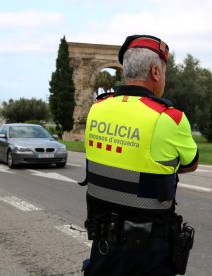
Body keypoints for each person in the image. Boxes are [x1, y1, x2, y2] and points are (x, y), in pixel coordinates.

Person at [80, 34, 199, 276]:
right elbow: (190, 164)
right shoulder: (170, 117)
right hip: (148, 250)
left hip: (103, 245)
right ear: (156, 72)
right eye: (164, 72)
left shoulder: (97, 108)